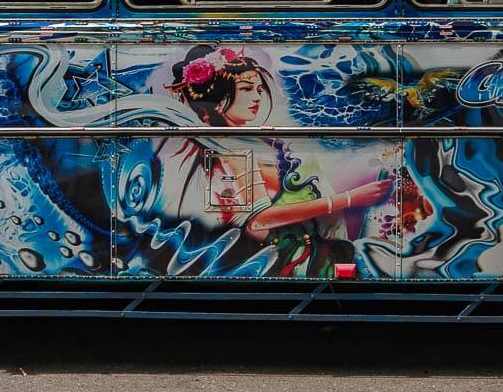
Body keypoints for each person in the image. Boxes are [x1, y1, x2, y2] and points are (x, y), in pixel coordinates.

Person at [162, 44, 394, 277]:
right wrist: (349, 199)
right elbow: (258, 221)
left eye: (259, 89)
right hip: (286, 257)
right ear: (219, 100)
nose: (256, 97)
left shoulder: (244, 140)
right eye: (246, 89)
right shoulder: (231, 150)